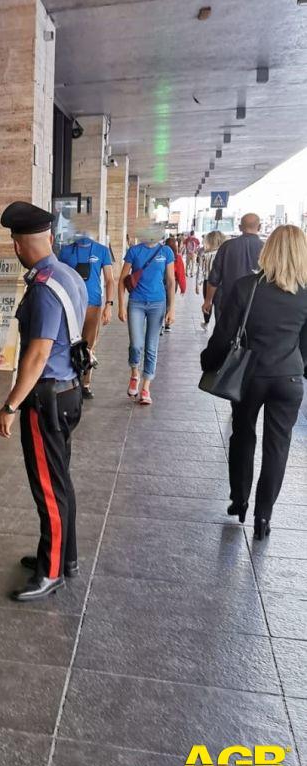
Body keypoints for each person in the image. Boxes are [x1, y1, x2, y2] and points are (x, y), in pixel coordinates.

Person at [0, 202, 87, 602]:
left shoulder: (44, 288)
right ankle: (65, 557)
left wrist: (11, 405)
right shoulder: (68, 275)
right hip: (68, 392)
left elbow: (37, 354)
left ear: (16, 245)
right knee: (60, 480)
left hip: (45, 397)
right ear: (48, 237)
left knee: (48, 487)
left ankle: (51, 572)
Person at [201, 224, 307, 541]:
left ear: (268, 249)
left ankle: (240, 500)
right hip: (288, 377)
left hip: (250, 376)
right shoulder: (304, 293)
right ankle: (264, 516)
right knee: (278, 446)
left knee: (243, 433)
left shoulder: (248, 287)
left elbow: (224, 335)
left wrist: (209, 362)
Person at [117, 230, 175, 405]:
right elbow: (122, 279)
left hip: (158, 303)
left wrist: (172, 309)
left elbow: (171, 281)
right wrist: (121, 306)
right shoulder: (134, 251)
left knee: (151, 346)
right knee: (136, 344)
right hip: (136, 302)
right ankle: (135, 373)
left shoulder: (166, 252)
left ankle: (146, 387)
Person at [57, 232, 114, 399]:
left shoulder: (102, 251)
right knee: (69, 343)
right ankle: (69, 381)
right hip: (70, 304)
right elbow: (59, 275)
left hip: (93, 304)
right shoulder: (66, 251)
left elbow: (110, 279)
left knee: (89, 345)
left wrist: (109, 305)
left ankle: (85, 383)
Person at [204, 213, 263, 320]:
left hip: (229, 302)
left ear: (240, 227)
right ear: (259, 227)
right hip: (256, 304)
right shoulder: (266, 248)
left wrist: (208, 301)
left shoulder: (227, 246)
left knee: (224, 334)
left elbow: (214, 278)